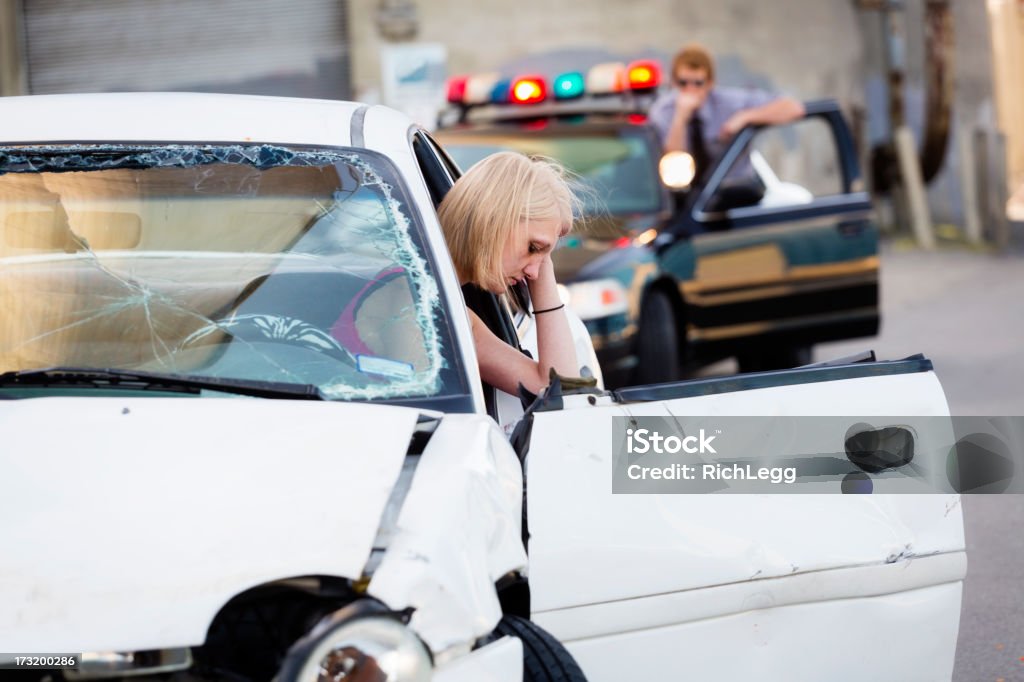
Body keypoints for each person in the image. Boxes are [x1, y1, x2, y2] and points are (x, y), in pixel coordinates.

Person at [437, 151, 581, 396]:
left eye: (542, 259)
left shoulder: (457, 317)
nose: (533, 272)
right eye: (532, 247)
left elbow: (560, 391)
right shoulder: (414, 300)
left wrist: (543, 260)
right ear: (493, 219)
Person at [648, 43, 806, 183]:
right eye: (683, 83)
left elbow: (793, 108)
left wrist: (746, 117)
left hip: (734, 193)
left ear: (710, 83)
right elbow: (674, 159)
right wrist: (680, 118)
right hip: (683, 199)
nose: (691, 90)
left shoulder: (730, 103)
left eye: (698, 83)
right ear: (674, 82)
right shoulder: (663, 111)